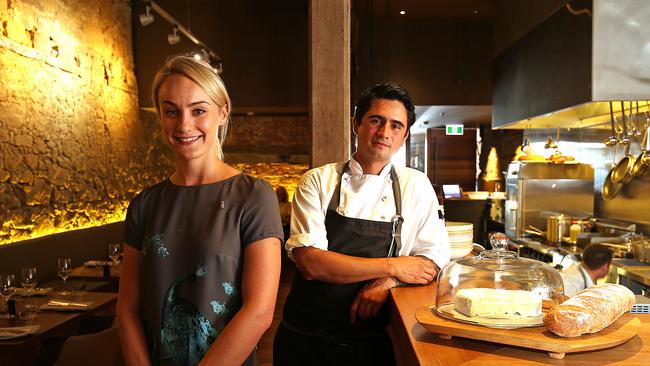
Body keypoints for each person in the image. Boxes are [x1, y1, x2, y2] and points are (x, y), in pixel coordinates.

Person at [116, 55, 283, 366]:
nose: (184, 125)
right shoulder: (144, 204)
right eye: (171, 112)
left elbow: (259, 311)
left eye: (198, 111)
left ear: (222, 112)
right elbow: (127, 310)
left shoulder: (253, 196)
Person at [273, 83, 451, 365]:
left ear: (404, 136)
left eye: (395, 126)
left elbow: (432, 260)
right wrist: (393, 266)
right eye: (376, 121)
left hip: (370, 342)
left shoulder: (415, 186)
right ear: (357, 124)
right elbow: (311, 264)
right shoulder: (318, 181)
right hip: (307, 337)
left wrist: (389, 282)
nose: (384, 133)